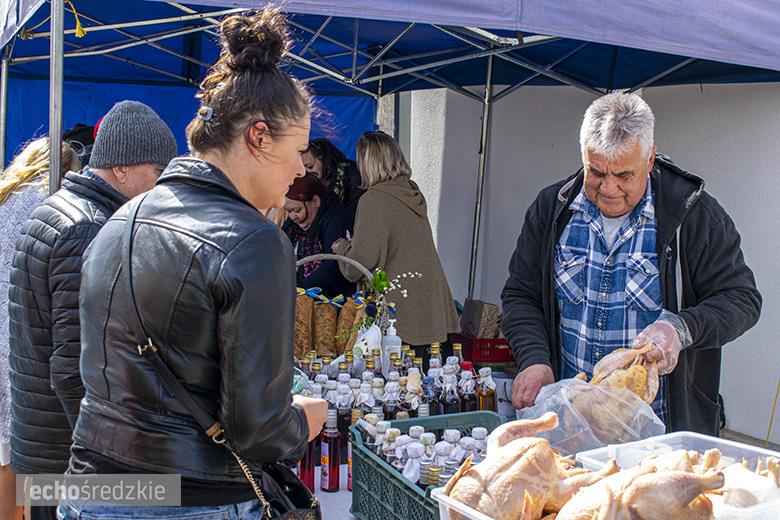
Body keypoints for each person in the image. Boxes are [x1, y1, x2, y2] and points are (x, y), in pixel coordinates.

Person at [59, 9, 327, 519]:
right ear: (258, 137)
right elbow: (259, 430)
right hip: (191, 499)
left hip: (93, 490)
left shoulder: (120, 219)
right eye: (298, 150)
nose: (300, 169)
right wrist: (306, 419)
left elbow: (87, 371)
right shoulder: (256, 242)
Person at [501, 92, 761, 436]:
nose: (608, 188)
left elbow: (741, 300)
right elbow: (521, 295)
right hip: (570, 424)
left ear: (650, 160)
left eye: (623, 175)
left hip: (659, 433)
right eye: (596, 171)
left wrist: (681, 330)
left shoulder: (694, 217)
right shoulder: (553, 209)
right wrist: (535, 359)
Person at [8, 100, 177, 519]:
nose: (161, 188)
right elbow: (74, 366)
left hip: (44, 445)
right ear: (122, 167)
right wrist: (109, 458)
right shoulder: (88, 228)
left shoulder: (56, 209)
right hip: (70, 457)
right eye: (157, 173)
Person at [0, 137, 79, 520]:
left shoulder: (4, 199)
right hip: (23, 347)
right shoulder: (51, 207)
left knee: (6, 462)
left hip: (7, 340)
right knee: (30, 466)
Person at [333, 131, 460, 364]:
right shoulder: (411, 191)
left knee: (398, 387)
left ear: (370, 164)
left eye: (361, 161)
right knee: (427, 383)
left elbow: (359, 263)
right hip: (430, 301)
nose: (359, 168)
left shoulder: (374, 199)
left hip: (401, 310)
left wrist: (342, 247)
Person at [283, 174, 355, 298]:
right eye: (288, 211)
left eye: (297, 210)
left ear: (316, 201)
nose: (292, 216)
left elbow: (332, 265)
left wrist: (297, 290)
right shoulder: (291, 225)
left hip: (333, 300)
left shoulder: (337, 218)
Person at [302, 137, 365, 212]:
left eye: (310, 166)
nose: (306, 172)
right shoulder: (313, 183)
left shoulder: (354, 178)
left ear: (325, 160)